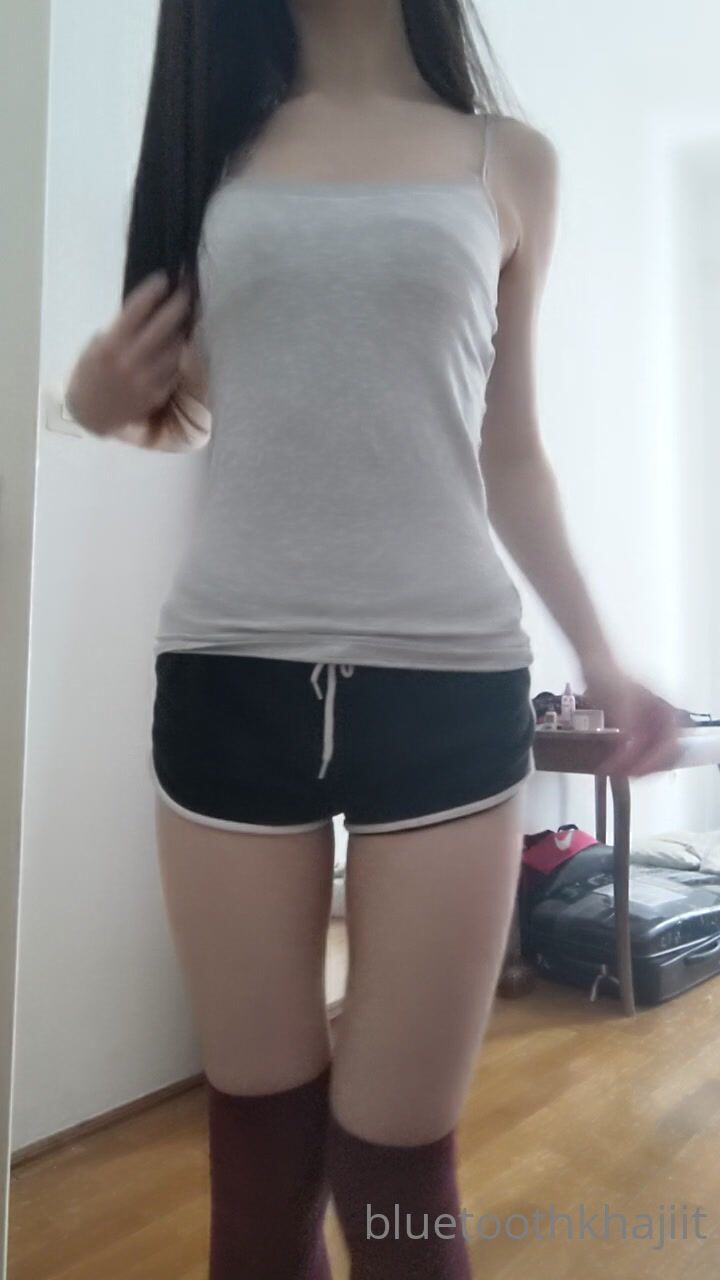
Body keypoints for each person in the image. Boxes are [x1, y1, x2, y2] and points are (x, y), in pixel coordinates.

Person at [65, 2, 679, 1276]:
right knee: (259, 1166)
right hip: (230, 678)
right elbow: (183, 401)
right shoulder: (210, 149)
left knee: (398, 1175)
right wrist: (92, 397)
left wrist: (601, 650)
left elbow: (511, 450)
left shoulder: (511, 162)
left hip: (447, 685)